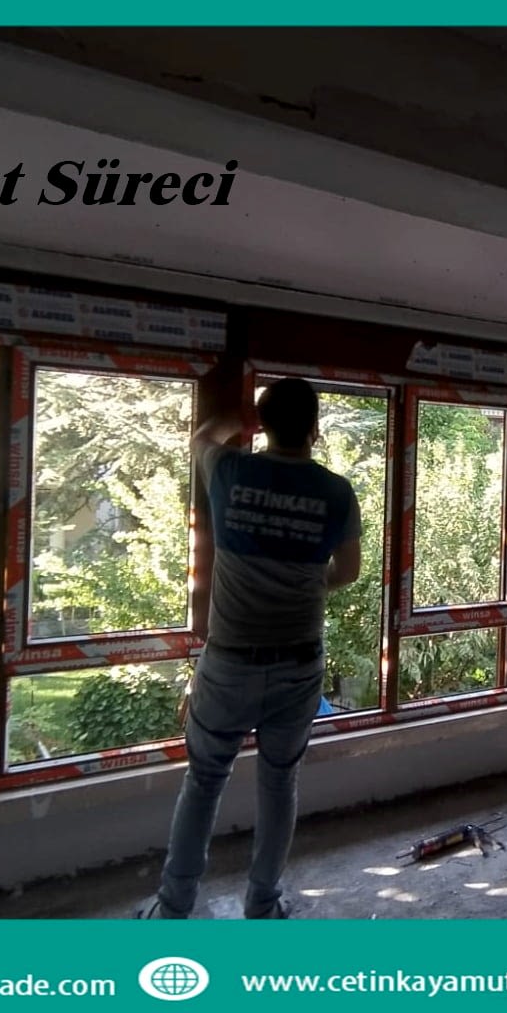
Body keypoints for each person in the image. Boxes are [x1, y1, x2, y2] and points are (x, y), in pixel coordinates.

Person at [140, 378, 361, 919]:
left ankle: (173, 908)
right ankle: (263, 905)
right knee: (280, 782)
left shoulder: (230, 471)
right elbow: (348, 572)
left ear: (263, 426)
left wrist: (238, 417)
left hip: (231, 663)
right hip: (297, 665)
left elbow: (201, 438)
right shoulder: (336, 492)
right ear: (315, 429)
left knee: (203, 782)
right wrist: (304, 581)